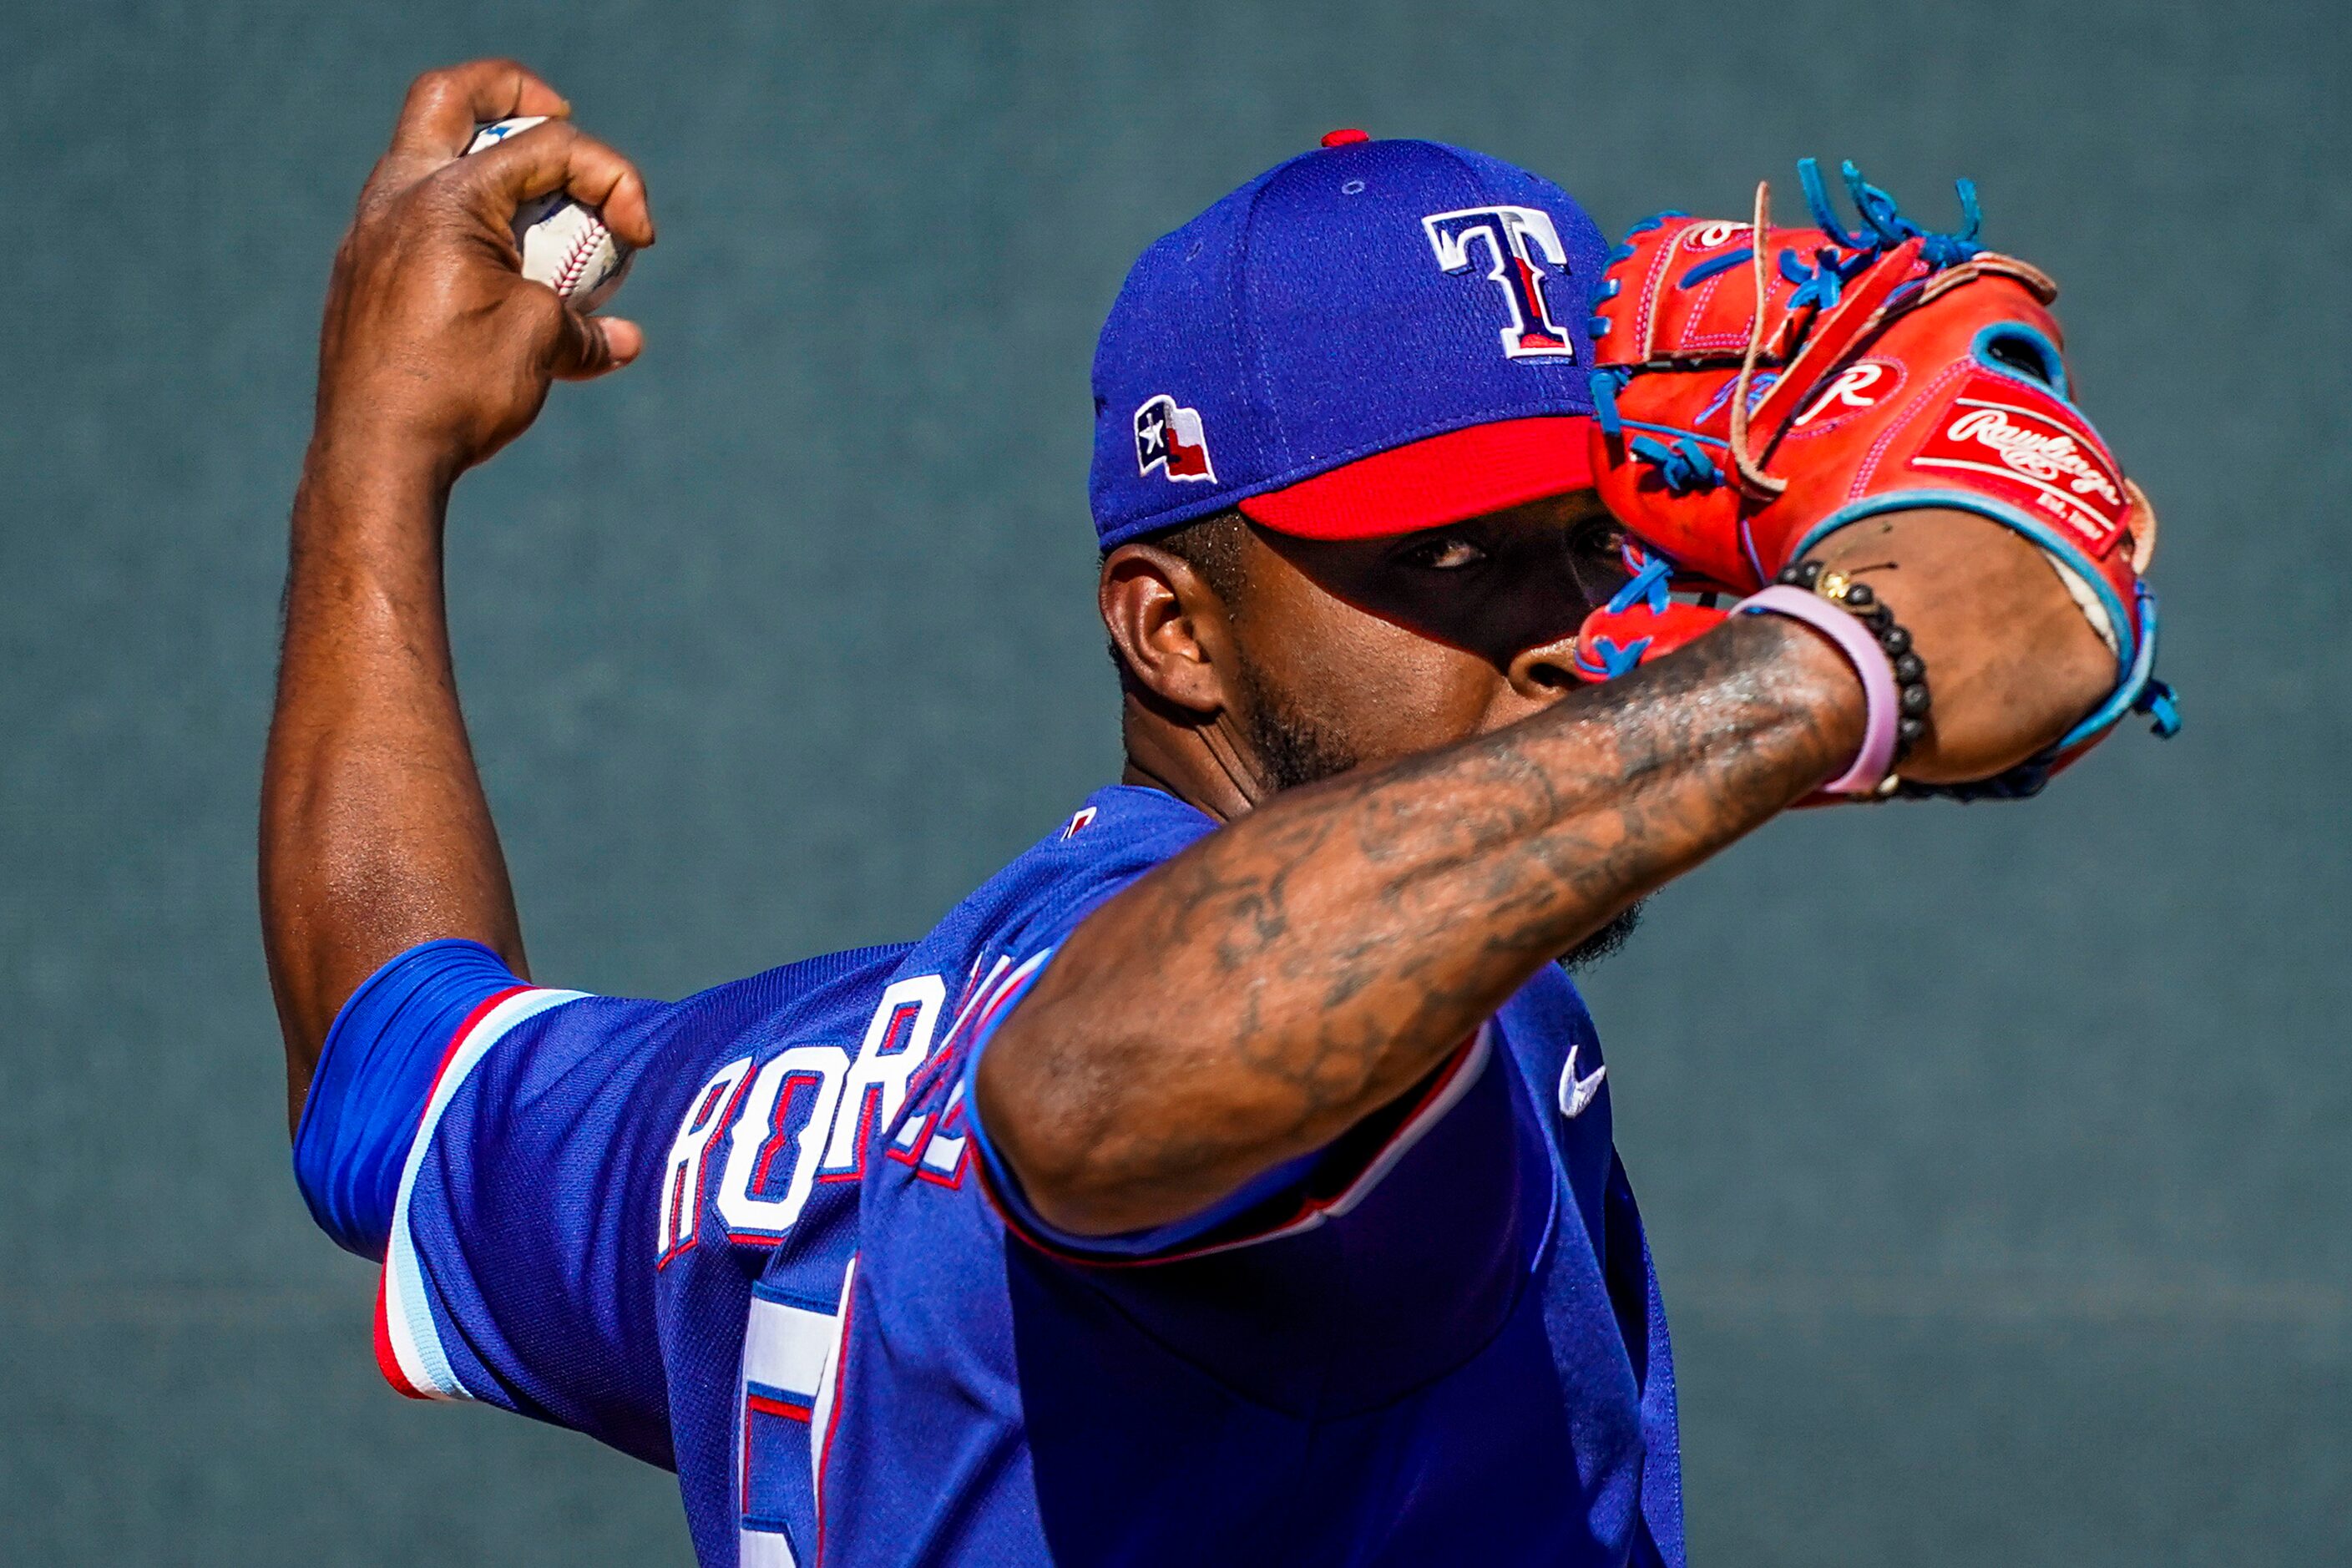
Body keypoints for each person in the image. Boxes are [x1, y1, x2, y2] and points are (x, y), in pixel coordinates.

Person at [266, 61, 2121, 1567]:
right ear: (1173, 631)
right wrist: (1818, 675)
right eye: (1449, 558)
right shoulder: (1381, 1079)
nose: (1573, 638)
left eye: (1592, 544)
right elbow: (1097, 1088)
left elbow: (395, 1076)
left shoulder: (766, 1110)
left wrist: (380, 449)